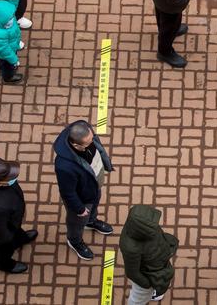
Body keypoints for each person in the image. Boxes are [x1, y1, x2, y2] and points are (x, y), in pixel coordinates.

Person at [54, 120, 114, 261]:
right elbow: (68, 193)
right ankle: (74, 241)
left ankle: (91, 221)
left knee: (93, 207)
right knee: (76, 222)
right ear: (76, 145)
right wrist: (80, 209)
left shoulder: (85, 130)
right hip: (81, 200)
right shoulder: (64, 166)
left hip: (93, 187)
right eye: (88, 142)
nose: (92, 142)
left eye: (92, 138)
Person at [0, 157, 38, 274]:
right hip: (2, 226)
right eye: (10, 177)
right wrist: (7, 238)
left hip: (11, 219)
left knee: (15, 231)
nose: (14, 178)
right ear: (0, 183)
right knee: (3, 245)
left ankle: (20, 238)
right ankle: (3, 264)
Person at [119, 205, 179, 305]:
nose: (156, 225)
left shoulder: (144, 226)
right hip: (147, 275)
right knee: (138, 299)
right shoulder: (131, 248)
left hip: (157, 264)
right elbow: (132, 273)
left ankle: (153, 292)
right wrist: (147, 285)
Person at [0, 0, 24, 83]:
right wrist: (14, 60)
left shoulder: (4, 20)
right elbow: (5, 51)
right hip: (7, 54)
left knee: (1, 61)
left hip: (11, 45)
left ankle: (1, 66)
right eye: (9, 19)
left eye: (12, 17)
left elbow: (13, 5)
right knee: (7, 66)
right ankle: (8, 77)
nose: (12, 19)